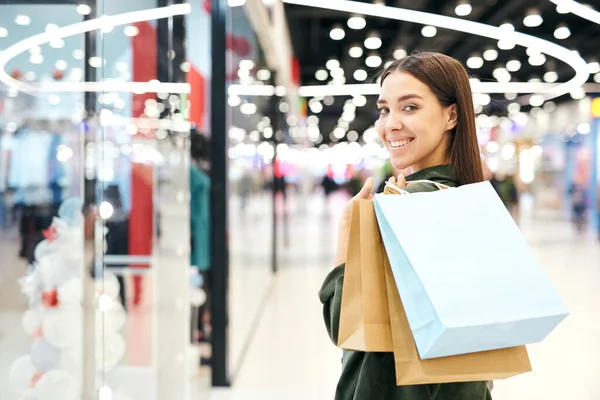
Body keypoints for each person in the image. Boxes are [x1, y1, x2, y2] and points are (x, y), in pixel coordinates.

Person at [319, 52, 491, 400]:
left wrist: (348, 231)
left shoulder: (411, 208)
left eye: (409, 107)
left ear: (451, 114)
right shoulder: (471, 201)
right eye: (384, 110)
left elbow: (345, 326)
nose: (390, 124)